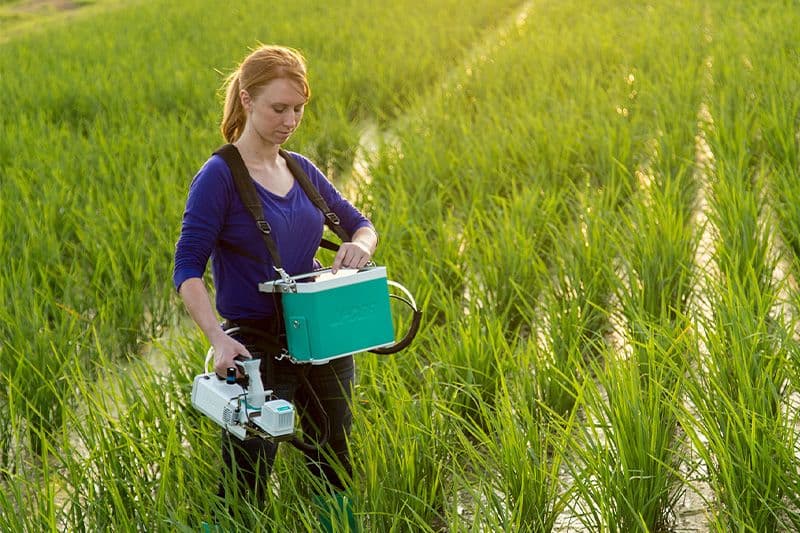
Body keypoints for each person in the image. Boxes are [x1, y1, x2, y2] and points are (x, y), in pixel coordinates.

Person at [173, 44, 376, 522]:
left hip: (322, 338)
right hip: (255, 348)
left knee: (334, 459)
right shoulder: (219, 176)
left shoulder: (301, 169)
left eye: (299, 109)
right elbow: (187, 270)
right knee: (247, 476)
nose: (290, 120)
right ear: (246, 100)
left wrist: (361, 246)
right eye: (279, 108)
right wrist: (218, 340)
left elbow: (359, 223)